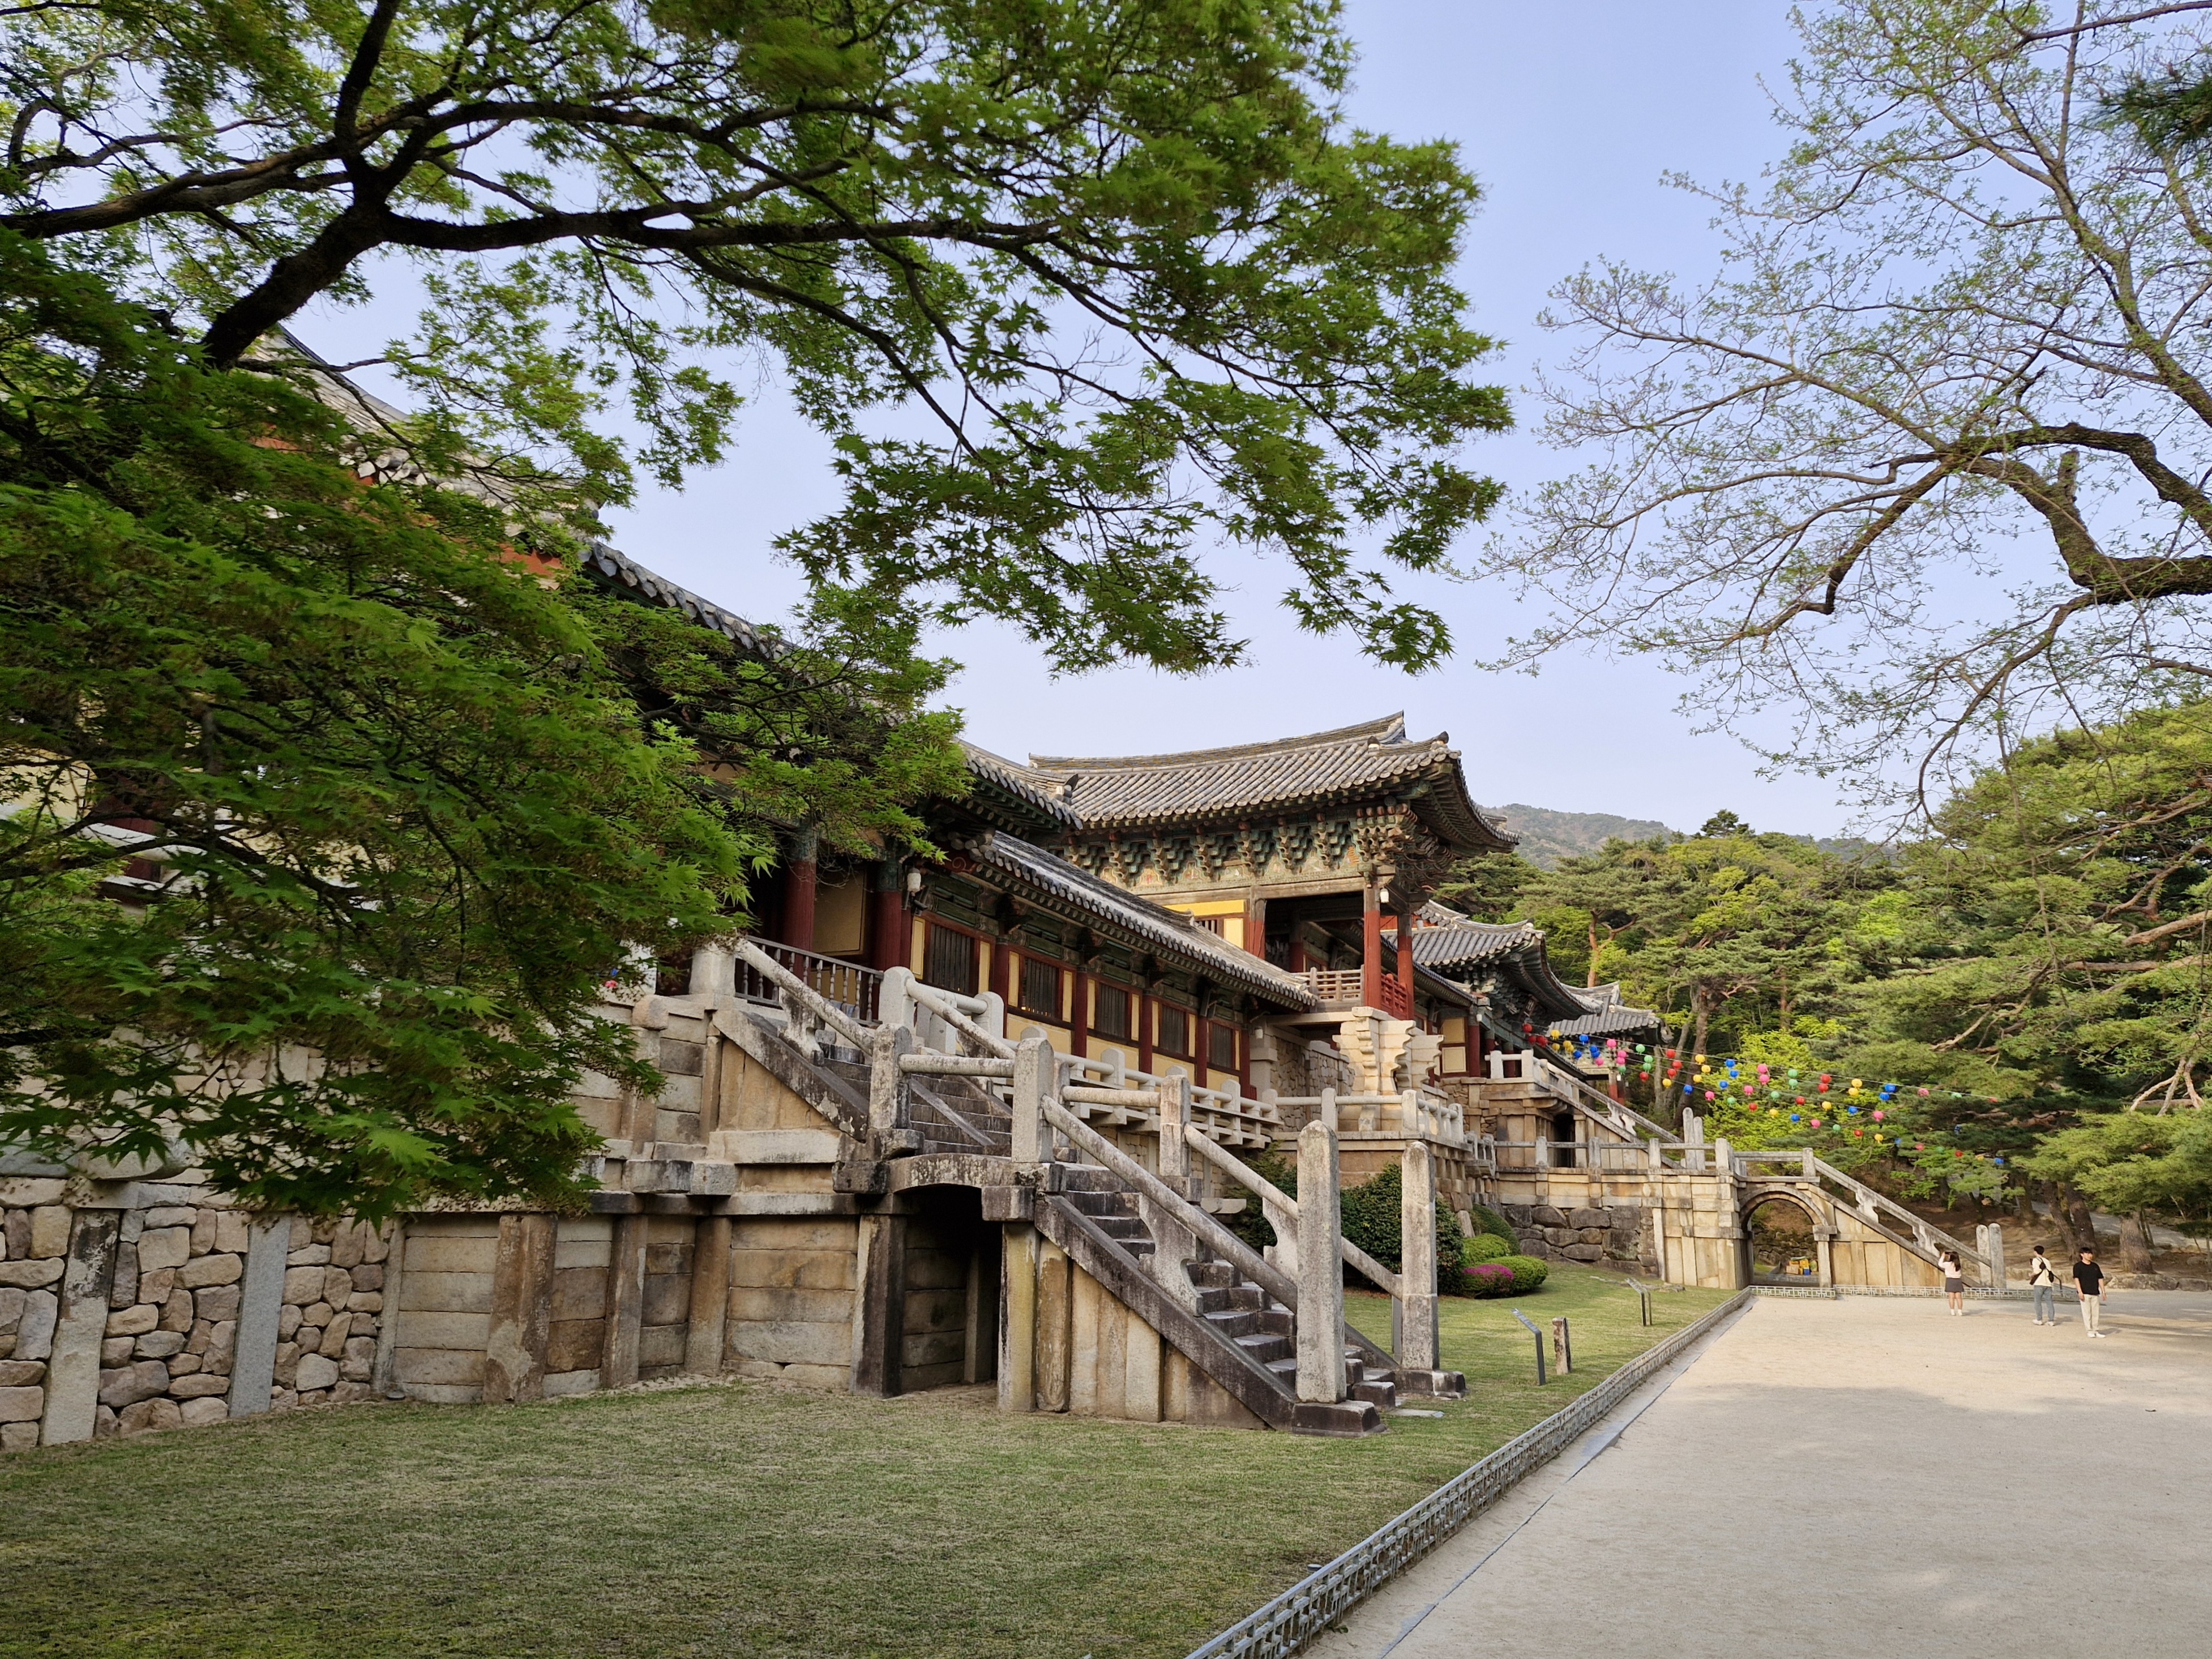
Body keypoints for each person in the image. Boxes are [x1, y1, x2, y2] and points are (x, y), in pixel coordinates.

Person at [2074, 1247, 2108, 1336]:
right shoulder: (2078, 1266)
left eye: (2090, 1254)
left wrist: (2103, 1291)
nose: (2090, 1256)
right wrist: (2080, 1292)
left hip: (2095, 1292)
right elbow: (2076, 1279)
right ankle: (2089, 1330)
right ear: (2082, 1255)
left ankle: (2096, 1330)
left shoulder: (2095, 1266)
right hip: (2085, 1292)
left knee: (2096, 1313)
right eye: (2087, 1253)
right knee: (2087, 1313)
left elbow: (2100, 1279)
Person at [2028, 1245, 2060, 1326]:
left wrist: (2031, 1275)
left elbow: (2037, 1271)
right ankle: (2051, 1320)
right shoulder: (2047, 1261)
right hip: (2048, 1283)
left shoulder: (2035, 1260)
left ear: (2035, 1252)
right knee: (2049, 1302)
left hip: (2039, 1283)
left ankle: (2039, 1319)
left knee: (2038, 1302)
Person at [1939, 1247, 1966, 1315]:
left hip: (1950, 1280)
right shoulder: (1959, 1265)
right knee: (1959, 1298)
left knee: (1951, 1297)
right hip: (1958, 1280)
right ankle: (1960, 1311)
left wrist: (1943, 1256)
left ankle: (1952, 1311)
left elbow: (1940, 1264)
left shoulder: (1948, 1264)